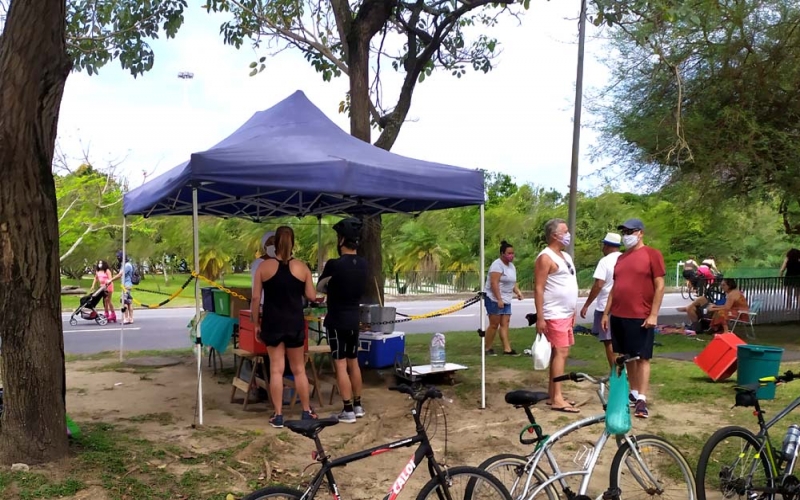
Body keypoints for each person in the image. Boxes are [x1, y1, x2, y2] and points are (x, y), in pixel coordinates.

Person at [252, 225, 321, 428]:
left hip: (272, 323)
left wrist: (255, 323)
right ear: (293, 243)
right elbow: (311, 295)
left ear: (275, 243)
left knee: (276, 370)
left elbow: (256, 298)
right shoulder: (302, 267)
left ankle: (278, 415)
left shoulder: (263, 268)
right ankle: (307, 411)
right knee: (299, 369)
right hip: (294, 322)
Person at [601, 218, 665, 419]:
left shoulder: (652, 255)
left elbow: (660, 286)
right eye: (625, 231)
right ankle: (634, 392)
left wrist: (653, 313)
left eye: (631, 231)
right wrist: (605, 313)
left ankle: (642, 399)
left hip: (641, 315)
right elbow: (614, 287)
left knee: (643, 356)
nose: (627, 235)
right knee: (627, 356)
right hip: (619, 315)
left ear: (640, 233)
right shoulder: (621, 258)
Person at [318, 218, 369, 423]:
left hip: (336, 319)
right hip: (353, 318)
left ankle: (347, 409)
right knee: (353, 362)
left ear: (341, 240)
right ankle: (357, 405)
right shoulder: (364, 264)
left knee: (340, 364)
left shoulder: (334, 264)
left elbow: (320, 287)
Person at [534, 219, 579, 413]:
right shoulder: (545, 257)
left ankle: (554, 394)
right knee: (561, 352)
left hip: (566, 313)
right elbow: (539, 288)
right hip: (554, 313)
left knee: (560, 353)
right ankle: (557, 398)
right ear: (554, 235)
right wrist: (540, 316)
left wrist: (572, 309)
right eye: (565, 231)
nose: (568, 234)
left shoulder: (565, 257)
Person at [580, 233, 622, 368]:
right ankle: (624, 369)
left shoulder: (605, 262)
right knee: (621, 340)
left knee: (608, 340)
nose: (602, 248)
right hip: (622, 306)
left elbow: (599, 284)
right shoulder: (625, 258)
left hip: (605, 306)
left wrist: (586, 304)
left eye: (604, 244)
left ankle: (615, 371)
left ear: (608, 246)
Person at [483, 240, 524, 356]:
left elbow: (512, 282)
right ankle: (487, 348)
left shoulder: (511, 267)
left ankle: (507, 349)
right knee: (494, 324)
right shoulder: (497, 265)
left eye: (513, 253)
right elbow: (494, 283)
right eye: (509, 253)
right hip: (493, 298)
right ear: (502, 254)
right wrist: (499, 299)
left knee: (505, 324)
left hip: (507, 298)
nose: (511, 255)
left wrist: (518, 292)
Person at [677, 278, 748, 333]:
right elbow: (727, 306)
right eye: (721, 285)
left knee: (696, 305)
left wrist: (713, 308)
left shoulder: (732, 294)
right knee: (699, 301)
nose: (721, 287)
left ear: (729, 286)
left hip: (738, 313)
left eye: (724, 285)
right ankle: (689, 311)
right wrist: (715, 306)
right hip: (732, 311)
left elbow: (727, 308)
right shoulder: (732, 293)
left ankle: (698, 325)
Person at [251, 230, 276, 306]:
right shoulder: (258, 263)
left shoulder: (281, 262)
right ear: (265, 246)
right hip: (264, 304)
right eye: (269, 243)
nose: (273, 245)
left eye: (275, 242)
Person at [112, 252, 135, 324]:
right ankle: (130, 318)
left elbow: (120, 275)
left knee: (124, 302)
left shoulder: (127, 265)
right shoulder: (125, 265)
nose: (118, 258)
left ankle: (126, 318)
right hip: (127, 285)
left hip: (126, 286)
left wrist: (110, 280)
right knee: (129, 302)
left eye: (119, 257)